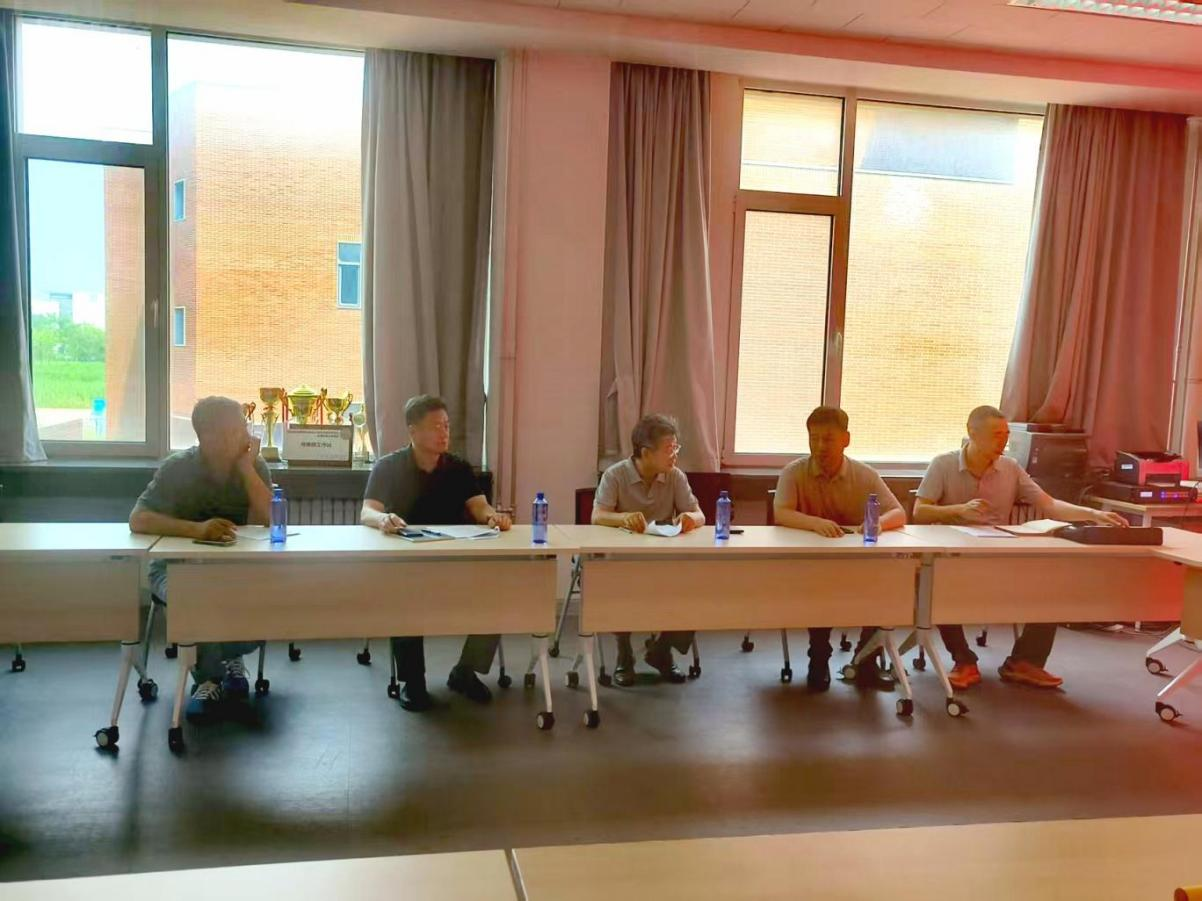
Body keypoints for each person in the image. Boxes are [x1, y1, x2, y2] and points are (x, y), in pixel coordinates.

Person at [913, 405, 1128, 691]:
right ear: (972, 432)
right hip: (952, 556)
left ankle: (1025, 662)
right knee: (937, 585)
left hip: (998, 554)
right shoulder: (943, 464)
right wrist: (958, 510)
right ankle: (964, 660)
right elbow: (920, 511)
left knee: (1054, 586)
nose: (1003, 441)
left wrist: (1093, 514)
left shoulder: (1011, 468)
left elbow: (1049, 505)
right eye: (996, 434)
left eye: (1006, 435)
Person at [360, 395, 513, 712]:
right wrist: (382, 519)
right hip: (407, 565)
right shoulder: (389, 467)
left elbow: (480, 506)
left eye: (446, 426)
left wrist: (493, 517)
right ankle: (413, 681)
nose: (444, 433)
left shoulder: (458, 468)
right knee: (405, 599)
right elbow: (367, 512)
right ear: (413, 431)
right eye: (435, 427)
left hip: (455, 562)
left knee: (496, 594)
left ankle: (465, 672)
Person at [129, 396, 272, 721]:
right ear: (210, 437)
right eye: (237, 429)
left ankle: (229, 657)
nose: (246, 435)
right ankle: (208, 677)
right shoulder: (178, 468)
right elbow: (138, 519)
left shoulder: (253, 465)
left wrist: (246, 469)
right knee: (193, 596)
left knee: (261, 592)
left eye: (244, 427)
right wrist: (197, 529)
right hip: (175, 568)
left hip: (236, 569)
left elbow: (270, 519)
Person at [773, 406, 907, 692]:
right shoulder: (793, 472)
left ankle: (865, 660)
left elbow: (898, 512)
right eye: (814, 439)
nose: (820, 446)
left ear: (846, 440)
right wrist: (814, 523)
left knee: (887, 584)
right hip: (811, 566)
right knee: (821, 587)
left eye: (828, 439)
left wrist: (876, 524)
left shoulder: (865, 474)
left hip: (859, 564)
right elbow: (781, 512)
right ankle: (819, 657)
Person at [592, 414, 705, 687]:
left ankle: (661, 651)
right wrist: (623, 518)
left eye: (676, 447)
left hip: (664, 559)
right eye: (669, 449)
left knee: (697, 585)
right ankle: (624, 653)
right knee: (619, 585)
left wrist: (690, 518)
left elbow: (699, 514)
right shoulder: (615, 475)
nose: (675, 455)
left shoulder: (675, 476)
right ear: (645, 452)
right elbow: (598, 516)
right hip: (623, 561)